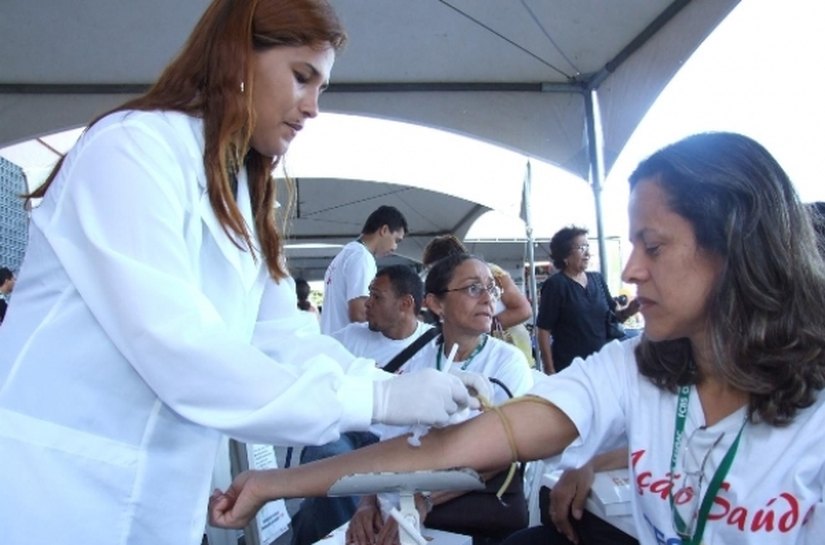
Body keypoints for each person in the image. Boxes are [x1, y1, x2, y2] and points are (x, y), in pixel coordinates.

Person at [0, 2, 480, 544]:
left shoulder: (241, 196)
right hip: (55, 489)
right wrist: (379, 401)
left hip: (153, 499)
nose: (313, 107)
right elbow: (178, 348)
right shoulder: (132, 149)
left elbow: (283, 339)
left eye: (321, 87)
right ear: (237, 58)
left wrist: (396, 386)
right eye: (302, 78)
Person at [210, 132, 825, 545]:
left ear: (736, 246)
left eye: (654, 245)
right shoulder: (634, 367)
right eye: (631, 243)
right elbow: (453, 446)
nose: (631, 268)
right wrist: (271, 484)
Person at [346, 253, 534, 545]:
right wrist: (367, 502)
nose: (488, 299)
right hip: (398, 508)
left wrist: (424, 501)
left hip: (464, 515)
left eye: (490, 288)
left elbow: (501, 451)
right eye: (473, 288)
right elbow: (389, 443)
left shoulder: (506, 363)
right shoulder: (415, 362)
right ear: (435, 303)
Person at [291, 265, 434, 545]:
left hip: (397, 445)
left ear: (405, 304)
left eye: (377, 297)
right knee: (327, 454)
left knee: (314, 510)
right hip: (344, 437)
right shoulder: (346, 339)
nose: (366, 303)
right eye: (369, 294)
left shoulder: (434, 346)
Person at [536, 226, 639, 374]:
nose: (588, 253)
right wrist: (549, 369)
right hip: (570, 370)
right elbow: (543, 330)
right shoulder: (556, 285)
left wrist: (630, 310)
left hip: (602, 366)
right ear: (565, 255)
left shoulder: (597, 279)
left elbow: (614, 318)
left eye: (588, 246)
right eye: (581, 247)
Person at [422, 234, 534, 364]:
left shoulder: (489, 273)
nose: (435, 276)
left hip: (511, 347)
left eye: (436, 269)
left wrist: (479, 324)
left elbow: (524, 310)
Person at [321, 205, 408, 334]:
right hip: (348, 346)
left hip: (334, 340)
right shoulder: (362, 257)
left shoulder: (347, 253)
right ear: (384, 230)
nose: (395, 247)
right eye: (396, 240)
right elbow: (360, 313)